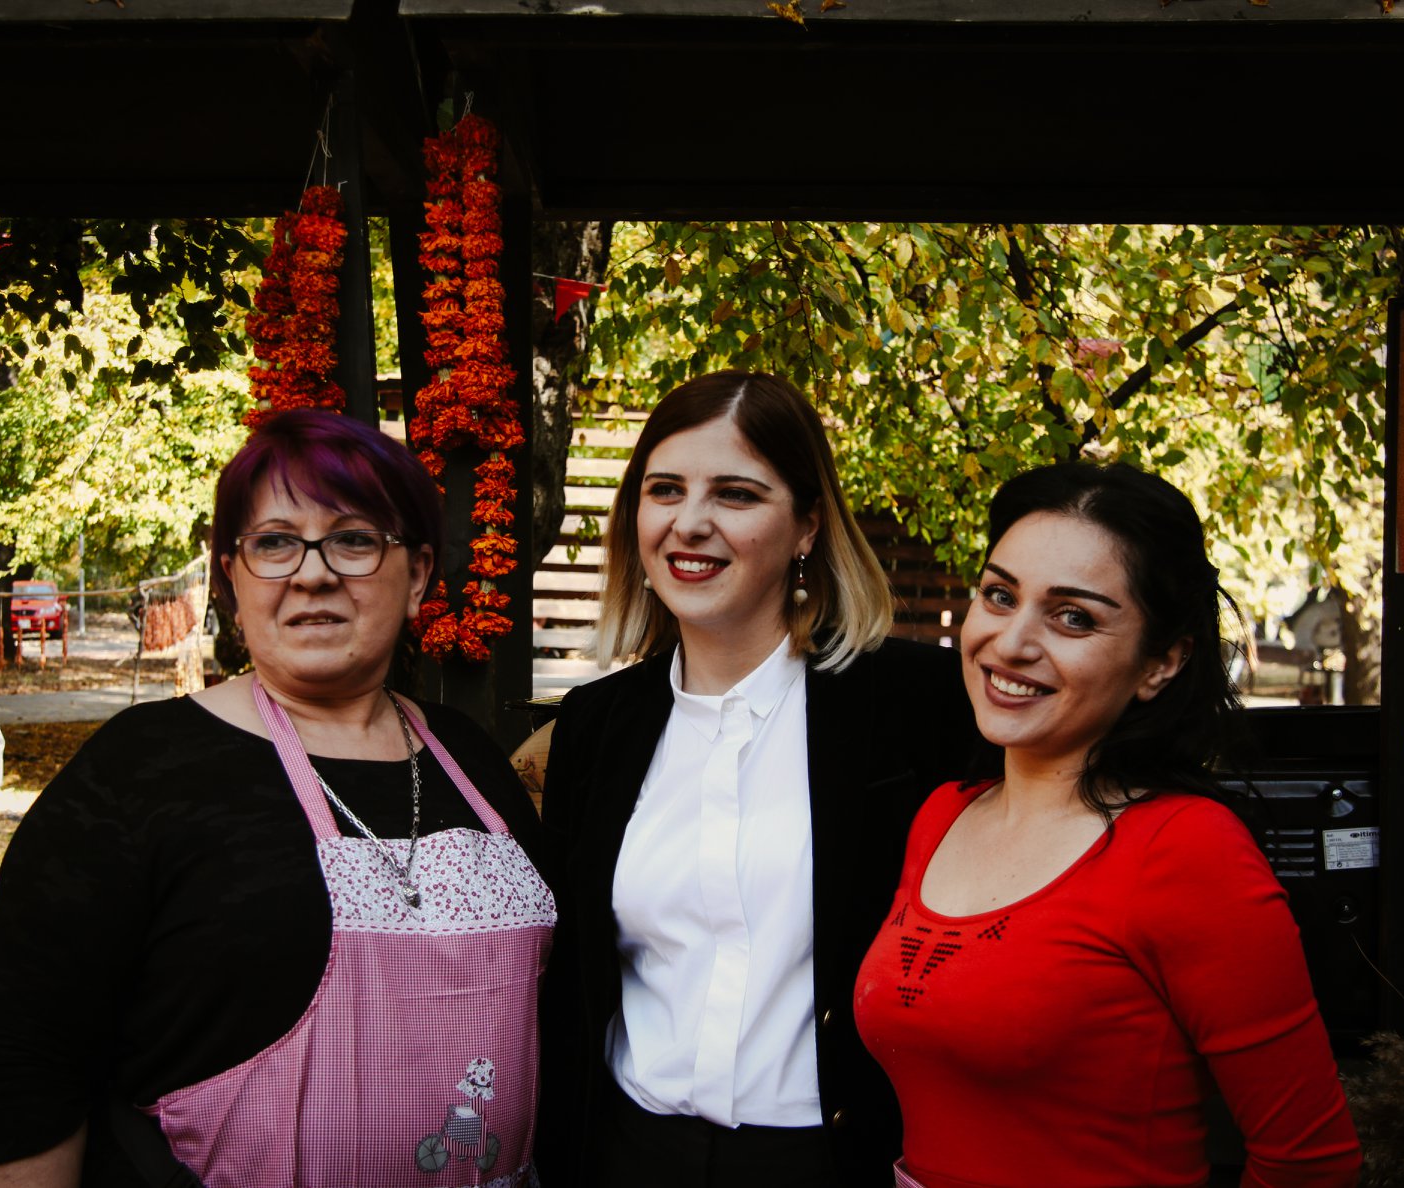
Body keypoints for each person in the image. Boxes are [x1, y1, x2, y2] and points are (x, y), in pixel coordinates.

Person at [0, 409, 554, 1188]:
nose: (312, 574)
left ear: (416, 575)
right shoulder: (139, 771)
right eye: (275, 543)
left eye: (353, 539)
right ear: (232, 578)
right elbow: (29, 1055)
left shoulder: (472, 761)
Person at [853, 461, 1361, 1187]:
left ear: (1162, 663)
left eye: (1074, 617)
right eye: (1000, 595)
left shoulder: (1186, 849)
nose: (1011, 642)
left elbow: (1312, 1162)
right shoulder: (943, 816)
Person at [538, 370, 980, 1187]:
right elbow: (572, 976)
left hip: (833, 1158)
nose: (689, 523)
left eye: (736, 494)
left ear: (808, 524)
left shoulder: (917, 706)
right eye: (664, 489)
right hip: (629, 1154)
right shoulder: (596, 725)